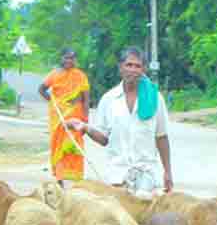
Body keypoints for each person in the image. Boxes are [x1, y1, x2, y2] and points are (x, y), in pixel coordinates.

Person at [65, 47, 172, 196]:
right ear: (120, 68)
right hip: (117, 177)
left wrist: (168, 172)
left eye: (137, 66)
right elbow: (104, 139)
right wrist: (84, 127)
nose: (133, 70)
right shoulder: (109, 100)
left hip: (147, 179)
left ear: (143, 70)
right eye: (129, 65)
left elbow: (161, 137)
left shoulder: (155, 99)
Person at [38, 49, 91, 184]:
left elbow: (86, 99)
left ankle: (76, 179)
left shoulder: (81, 76)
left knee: (75, 145)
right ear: (61, 58)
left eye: (72, 58)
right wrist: (52, 101)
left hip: (76, 116)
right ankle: (60, 178)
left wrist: (86, 119)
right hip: (58, 117)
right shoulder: (54, 75)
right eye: (67, 58)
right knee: (59, 146)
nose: (69, 61)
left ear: (75, 60)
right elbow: (41, 89)